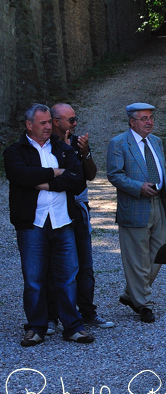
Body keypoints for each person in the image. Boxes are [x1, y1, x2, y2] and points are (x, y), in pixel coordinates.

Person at [4, 103, 95, 346]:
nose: (48, 126)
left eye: (49, 122)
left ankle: (73, 326)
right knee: (34, 279)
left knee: (68, 276)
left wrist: (45, 182)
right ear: (29, 125)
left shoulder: (63, 148)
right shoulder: (15, 151)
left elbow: (77, 179)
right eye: (43, 123)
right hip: (32, 223)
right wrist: (56, 172)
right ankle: (36, 327)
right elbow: (20, 176)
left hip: (62, 221)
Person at [45, 103, 114, 335]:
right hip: (56, 209)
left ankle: (87, 312)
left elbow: (90, 175)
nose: (75, 124)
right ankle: (52, 316)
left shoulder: (76, 143)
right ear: (56, 122)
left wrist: (85, 154)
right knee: (55, 266)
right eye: (70, 120)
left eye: (75, 119)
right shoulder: (45, 146)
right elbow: (62, 178)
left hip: (77, 208)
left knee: (85, 264)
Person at [107, 102, 166, 324]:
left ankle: (130, 294)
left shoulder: (156, 141)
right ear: (132, 121)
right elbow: (114, 175)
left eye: (151, 118)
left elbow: (163, 171)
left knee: (159, 254)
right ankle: (143, 304)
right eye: (144, 118)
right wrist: (138, 187)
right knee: (137, 258)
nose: (149, 122)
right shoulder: (118, 143)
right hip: (135, 206)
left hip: (158, 204)